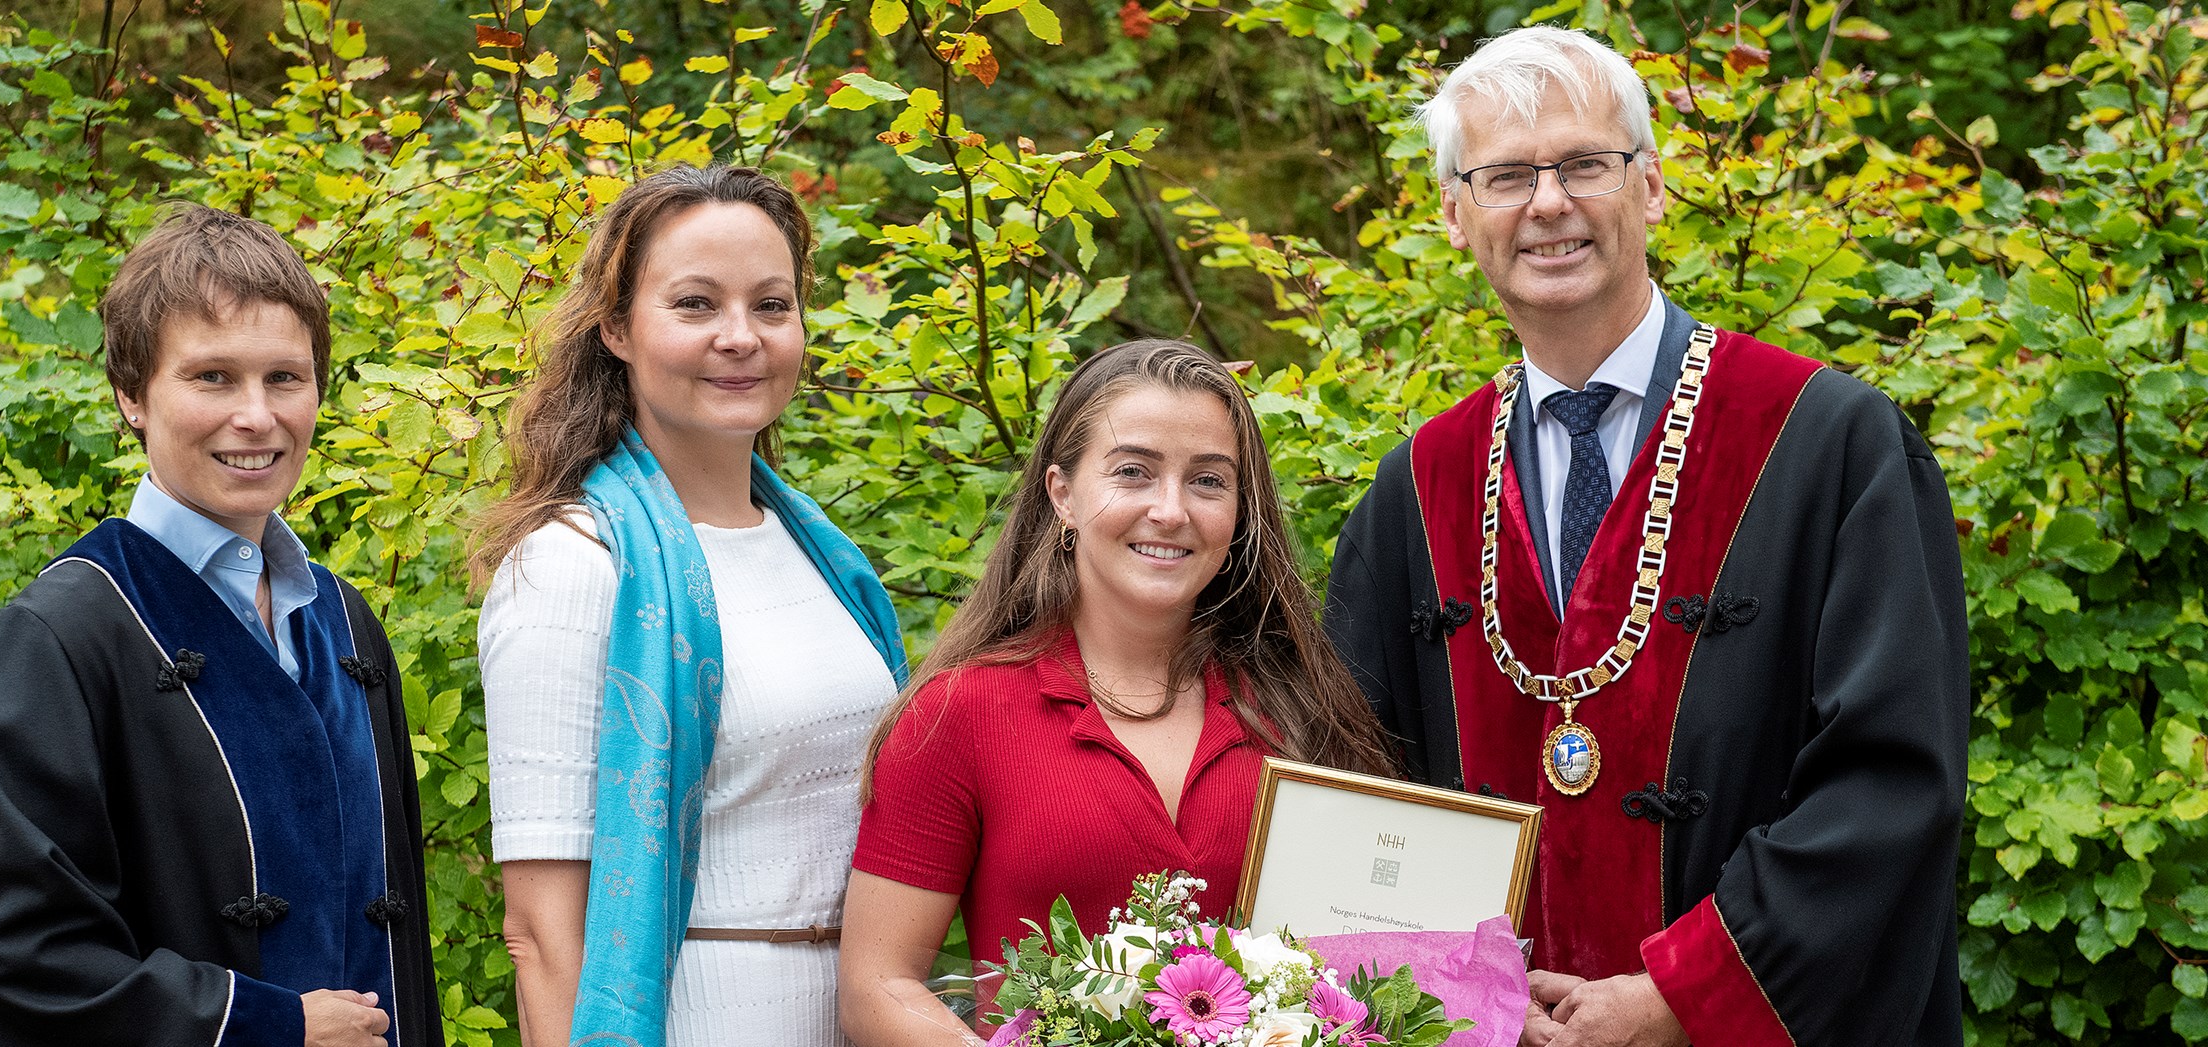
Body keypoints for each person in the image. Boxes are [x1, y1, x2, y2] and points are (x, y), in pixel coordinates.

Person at [1322, 25, 1969, 1047]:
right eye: (1502, 176)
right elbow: (1352, 782)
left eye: (1583, 163)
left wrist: (1688, 992)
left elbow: (1891, 777)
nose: (1547, 203)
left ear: (1652, 187)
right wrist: (1453, 993)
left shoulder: (1828, 443)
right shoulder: (1419, 486)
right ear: (1454, 215)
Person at [0, 206, 441, 1047]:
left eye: (285, 377)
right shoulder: (67, 629)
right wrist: (266, 1024)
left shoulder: (346, 621)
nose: (257, 416)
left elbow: (400, 940)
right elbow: (17, 958)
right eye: (213, 377)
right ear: (132, 396)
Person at [839, 338, 1399, 1046]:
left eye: (1208, 480)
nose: (1170, 510)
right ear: (1062, 492)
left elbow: (1373, 952)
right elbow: (876, 986)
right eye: (1133, 471)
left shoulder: (1298, 706)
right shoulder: (961, 711)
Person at [471, 164, 908, 1047]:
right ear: (617, 328)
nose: (740, 336)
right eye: (697, 304)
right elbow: (542, 937)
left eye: (772, 305)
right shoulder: (570, 567)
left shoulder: (824, 560)